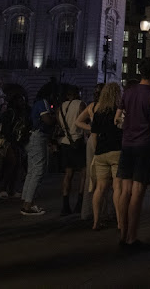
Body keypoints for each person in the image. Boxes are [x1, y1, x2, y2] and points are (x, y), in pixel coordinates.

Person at [116, 58, 150, 250]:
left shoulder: (129, 92)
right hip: (145, 145)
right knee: (138, 192)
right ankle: (133, 237)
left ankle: (123, 234)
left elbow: (117, 118)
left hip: (127, 144)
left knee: (125, 191)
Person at [82, 83, 123, 231]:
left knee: (100, 188)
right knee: (117, 187)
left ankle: (96, 222)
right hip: (117, 151)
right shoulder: (119, 112)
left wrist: (96, 150)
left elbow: (94, 136)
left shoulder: (98, 113)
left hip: (101, 153)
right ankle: (120, 222)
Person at [21, 84, 57, 216]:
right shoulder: (43, 103)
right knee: (38, 170)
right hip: (38, 137)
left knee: (31, 171)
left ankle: (26, 201)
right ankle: (28, 205)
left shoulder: (37, 102)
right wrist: (56, 118)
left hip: (32, 137)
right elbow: (47, 120)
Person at [57, 86, 87, 216]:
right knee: (84, 172)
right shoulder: (80, 104)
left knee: (68, 174)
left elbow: (59, 123)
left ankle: (65, 205)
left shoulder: (60, 107)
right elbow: (84, 119)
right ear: (76, 94)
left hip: (65, 142)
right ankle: (79, 203)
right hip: (78, 141)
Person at [75, 84, 103, 220]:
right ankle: (101, 211)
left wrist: (90, 128)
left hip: (91, 139)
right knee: (103, 176)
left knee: (90, 176)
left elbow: (78, 121)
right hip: (102, 139)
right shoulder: (105, 106)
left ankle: (86, 210)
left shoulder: (91, 106)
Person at [0, 93, 28, 199]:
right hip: (10, 142)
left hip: (17, 142)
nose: (23, 103)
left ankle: (11, 189)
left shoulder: (19, 113)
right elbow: (6, 130)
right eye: (21, 101)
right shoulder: (10, 113)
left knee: (16, 165)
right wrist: (13, 140)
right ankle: (3, 188)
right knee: (11, 164)